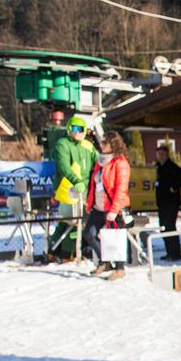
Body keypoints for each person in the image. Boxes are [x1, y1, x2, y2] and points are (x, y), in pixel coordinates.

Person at [47, 115, 97, 260]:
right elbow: (64, 166)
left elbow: (97, 159)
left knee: (70, 222)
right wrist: (76, 181)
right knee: (74, 223)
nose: (77, 132)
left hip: (84, 192)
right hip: (68, 191)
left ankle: (55, 251)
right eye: (73, 129)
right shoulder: (62, 144)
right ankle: (67, 254)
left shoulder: (87, 145)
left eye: (80, 129)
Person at [84, 131, 132, 279]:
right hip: (99, 206)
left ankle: (120, 268)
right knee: (89, 234)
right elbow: (95, 184)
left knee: (116, 237)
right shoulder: (101, 162)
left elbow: (121, 188)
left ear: (113, 144)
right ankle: (104, 261)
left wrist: (115, 209)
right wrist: (90, 202)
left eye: (105, 143)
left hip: (113, 207)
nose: (102, 146)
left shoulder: (120, 163)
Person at [154, 145, 181, 261]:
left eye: (163, 154)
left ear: (167, 155)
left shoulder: (171, 167)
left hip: (171, 202)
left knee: (170, 227)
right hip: (162, 202)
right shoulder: (159, 167)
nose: (161, 156)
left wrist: (175, 187)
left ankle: (175, 253)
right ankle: (169, 252)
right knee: (163, 228)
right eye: (159, 154)